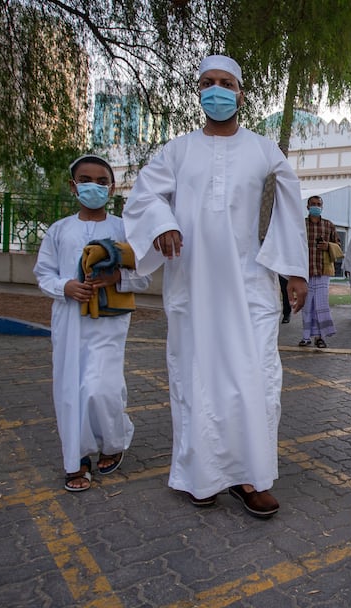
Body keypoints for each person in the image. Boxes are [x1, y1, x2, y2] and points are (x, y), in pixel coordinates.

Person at [122, 55, 308, 518]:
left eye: (227, 83)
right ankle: (200, 475)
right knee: (196, 376)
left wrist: (295, 269)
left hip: (250, 284)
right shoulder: (176, 151)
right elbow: (143, 197)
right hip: (193, 281)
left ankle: (251, 477)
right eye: (208, 82)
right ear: (198, 91)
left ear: (241, 92)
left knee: (256, 379)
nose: (217, 90)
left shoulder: (265, 150)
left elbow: (291, 204)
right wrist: (163, 222)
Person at [34, 154, 151, 492]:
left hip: (109, 323)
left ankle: (114, 440)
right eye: (86, 180)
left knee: (100, 388)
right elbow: (44, 274)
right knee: (71, 389)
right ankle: (78, 458)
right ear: (73, 187)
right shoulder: (60, 230)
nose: (94, 187)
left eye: (102, 182)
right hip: (68, 319)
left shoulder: (123, 229)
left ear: (112, 188)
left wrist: (118, 277)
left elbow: (143, 277)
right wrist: (65, 287)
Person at [299, 195, 340, 348]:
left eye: (318, 204)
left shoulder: (329, 225)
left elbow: (338, 245)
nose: (316, 206)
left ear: (322, 207)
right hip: (305, 270)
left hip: (323, 270)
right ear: (307, 207)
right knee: (307, 305)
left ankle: (320, 337)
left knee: (321, 305)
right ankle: (305, 337)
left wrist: (328, 246)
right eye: (313, 204)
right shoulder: (301, 225)